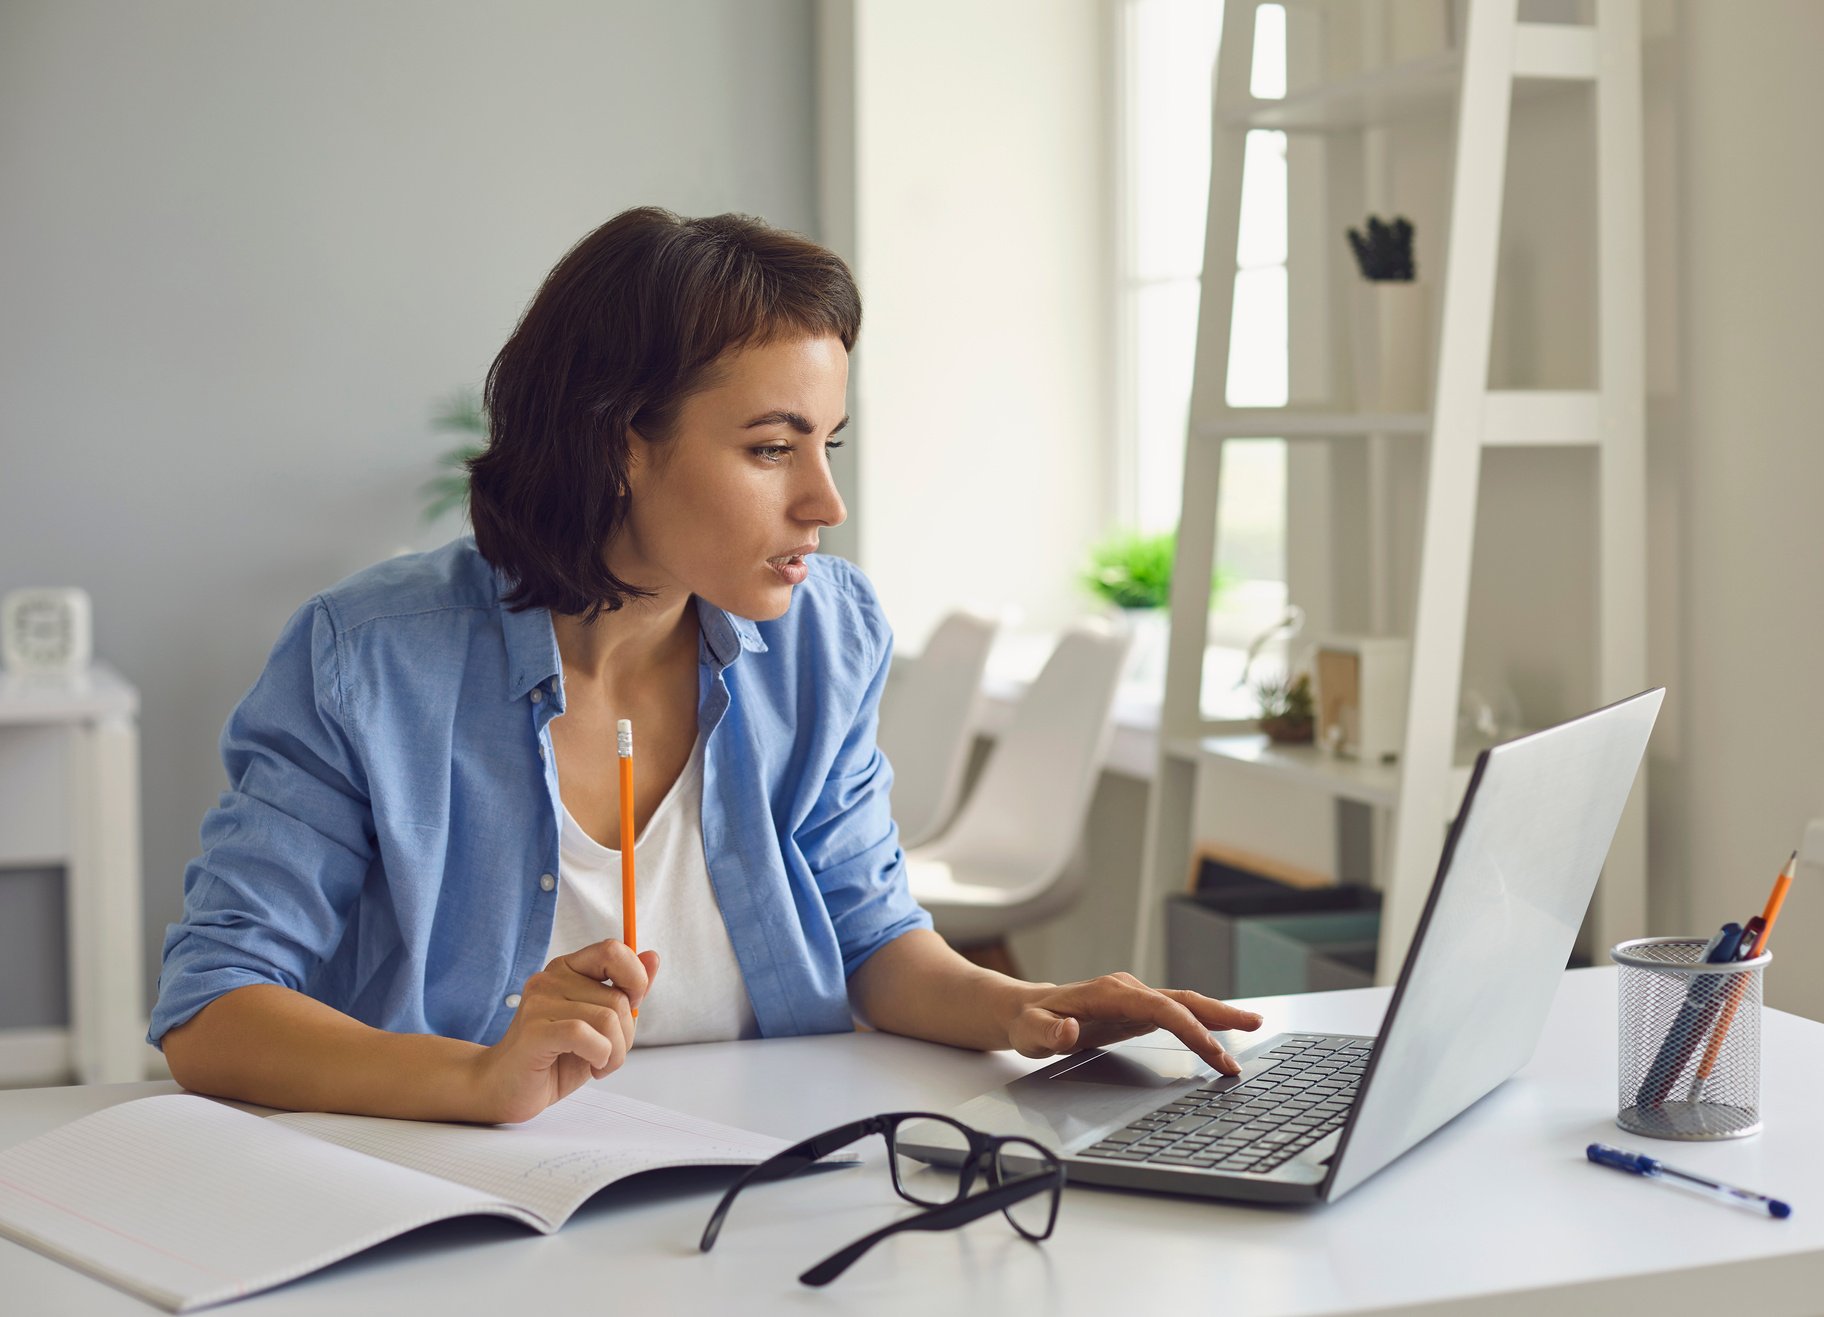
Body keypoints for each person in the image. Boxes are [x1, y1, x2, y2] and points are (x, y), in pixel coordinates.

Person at [151, 206, 1262, 1126]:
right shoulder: (372, 658)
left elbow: (872, 936)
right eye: (771, 448)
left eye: (829, 445)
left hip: (760, 1178)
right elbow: (214, 1008)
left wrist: (1032, 1010)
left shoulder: (825, 630)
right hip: (463, 1205)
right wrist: (476, 1079)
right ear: (616, 442)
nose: (824, 502)